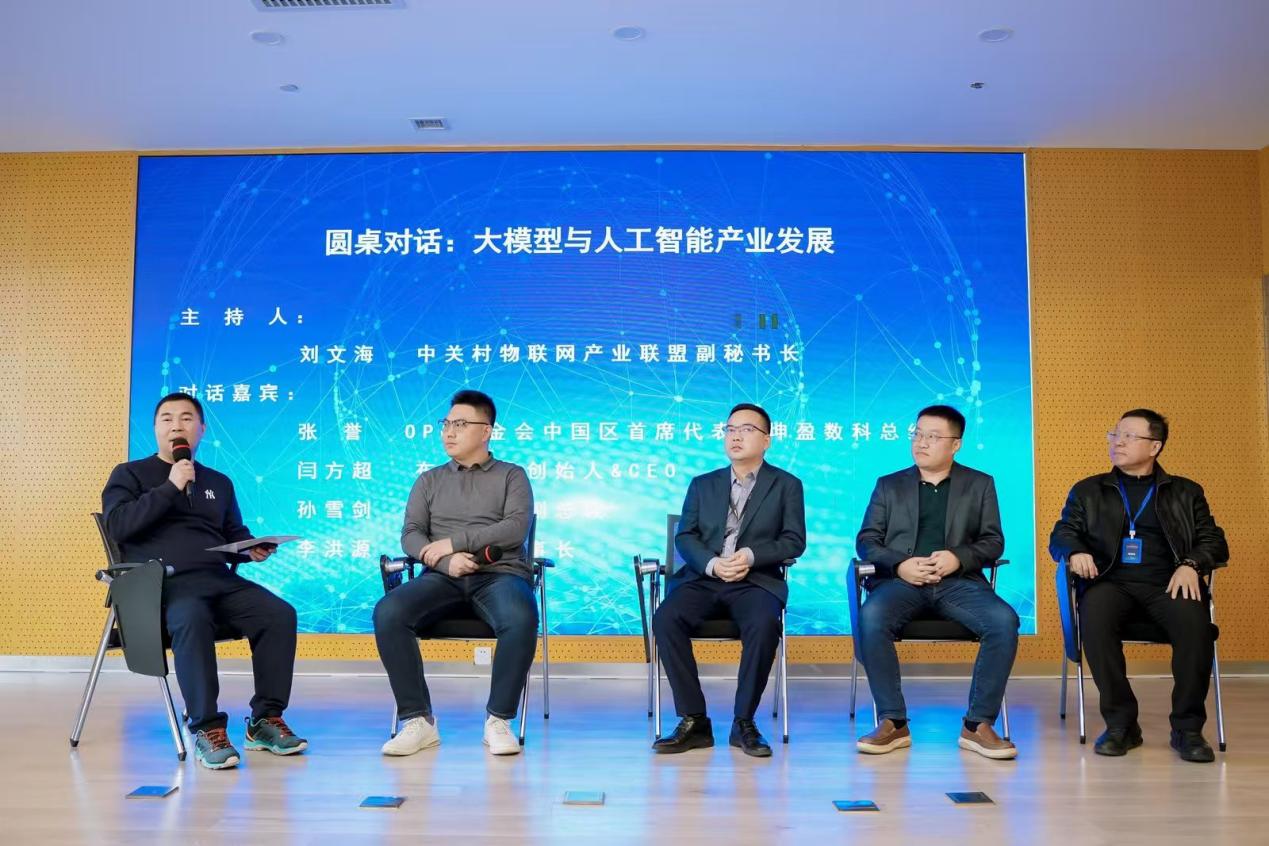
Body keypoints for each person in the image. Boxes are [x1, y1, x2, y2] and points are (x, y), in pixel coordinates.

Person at [102, 392, 305, 770]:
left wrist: (250, 549)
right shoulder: (129, 475)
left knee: (278, 614)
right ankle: (207, 728)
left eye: (186, 418)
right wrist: (170, 487)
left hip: (217, 580)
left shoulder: (218, 482)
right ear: (155, 428)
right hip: (162, 587)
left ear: (201, 429)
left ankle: (264, 720)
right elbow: (118, 526)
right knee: (190, 616)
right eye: (166, 419)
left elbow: (232, 533)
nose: (176, 425)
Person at [1050, 408, 1228, 763]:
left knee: (1196, 626)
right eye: (1115, 434)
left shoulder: (1186, 492)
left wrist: (1191, 565)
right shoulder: (1089, 490)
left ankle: (1188, 729)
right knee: (1094, 619)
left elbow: (1214, 541)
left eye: (1129, 436)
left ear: (1155, 446)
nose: (1118, 442)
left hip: (1168, 583)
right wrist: (1075, 551)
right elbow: (1062, 533)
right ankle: (1122, 724)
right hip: (1109, 581)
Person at [374, 389, 537, 757]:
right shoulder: (429, 480)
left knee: (520, 617)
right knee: (389, 612)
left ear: (486, 431)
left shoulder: (512, 476)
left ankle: (498, 720)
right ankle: (418, 721)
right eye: (446, 424)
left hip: (500, 575)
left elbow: (515, 528)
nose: (449, 432)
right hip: (441, 578)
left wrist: (454, 542)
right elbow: (411, 535)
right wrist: (445, 561)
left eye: (460, 424)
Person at [854, 405, 1019, 760]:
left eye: (932, 436)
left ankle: (977, 725)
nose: (921, 442)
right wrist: (900, 565)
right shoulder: (889, 484)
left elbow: (993, 542)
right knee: (871, 617)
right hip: (900, 583)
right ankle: (893, 721)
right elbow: (867, 541)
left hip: (958, 582)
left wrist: (957, 557)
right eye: (918, 434)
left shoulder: (979, 484)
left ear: (955, 444)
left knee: (1003, 621)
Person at [650, 403, 806, 757]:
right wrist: (711, 564)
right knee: (666, 618)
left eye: (747, 429)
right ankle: (694, 720)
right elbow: (685, 536)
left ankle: (744, 722)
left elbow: (793, 541)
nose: (736, 436)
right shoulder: (703, 484)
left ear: (766, 440)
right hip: (704, 579)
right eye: (730, 429)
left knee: (764, 623)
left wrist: (751, 556)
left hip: (756, 581)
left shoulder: (787, 485)